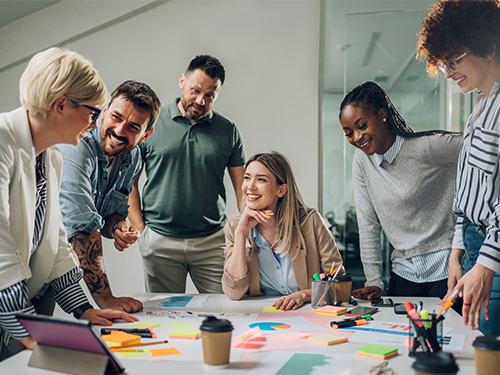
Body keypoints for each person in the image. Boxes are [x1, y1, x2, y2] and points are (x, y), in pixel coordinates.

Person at [0, 47, 137, 360]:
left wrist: (84, 309)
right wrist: (35, 337)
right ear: (61, 104)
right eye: (92, 113)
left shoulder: (52, 158)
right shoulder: (1, 142)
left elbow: (56, 242)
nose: (94, 124)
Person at [128, 55, 246, 294]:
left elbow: (243, 188)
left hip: (213, 241)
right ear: (182, 81)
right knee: (163, 318)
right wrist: (141, 230)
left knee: (224, 311)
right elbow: (129, 181)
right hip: (160, 240)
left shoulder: (228, 130)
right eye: (195, 90)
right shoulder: (151, 123)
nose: (201, 100)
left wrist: (244, 233)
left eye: (210, 95)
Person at [417, 0, 500, 335]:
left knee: (488, 343)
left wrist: (486, 264)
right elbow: (468, 188)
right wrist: (457, 251)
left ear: (489, 47)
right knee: (470, 341)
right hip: (472, 245)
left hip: (492, 252)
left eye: (453, 60)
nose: (448, 72)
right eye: (444, 63)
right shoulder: (480, 106)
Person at [339, 81, 463, 302]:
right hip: (403, 273)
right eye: (349, 133)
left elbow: (482, 146)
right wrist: (374, 281)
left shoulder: (426, 148)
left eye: (362, 126)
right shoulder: (361, 161)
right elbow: (368, 224)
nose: (357, 137)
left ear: (382, 115)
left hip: (447, 268)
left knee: (448, 335)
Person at [58, 80, 161, 313]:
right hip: (18, 261)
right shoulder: (77, 144)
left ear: (145, 136)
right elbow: (82, 227)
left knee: (33, 344)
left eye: (134, 127)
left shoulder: (132, 157)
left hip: (56, 272)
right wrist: (106, 300)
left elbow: (108, 214)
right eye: (116, 117)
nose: (120, 130)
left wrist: (117, 227)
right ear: (104, 111)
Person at [222, 151, 345, 310]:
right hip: (261, 312)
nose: (250, 186)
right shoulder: (235, 228)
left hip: (307, 311)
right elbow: (234, 293)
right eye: (247, 178)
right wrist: (241, 234)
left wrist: (303, 295)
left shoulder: (310, 221)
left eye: (261, 179)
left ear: (281, 190)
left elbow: (340, 286)